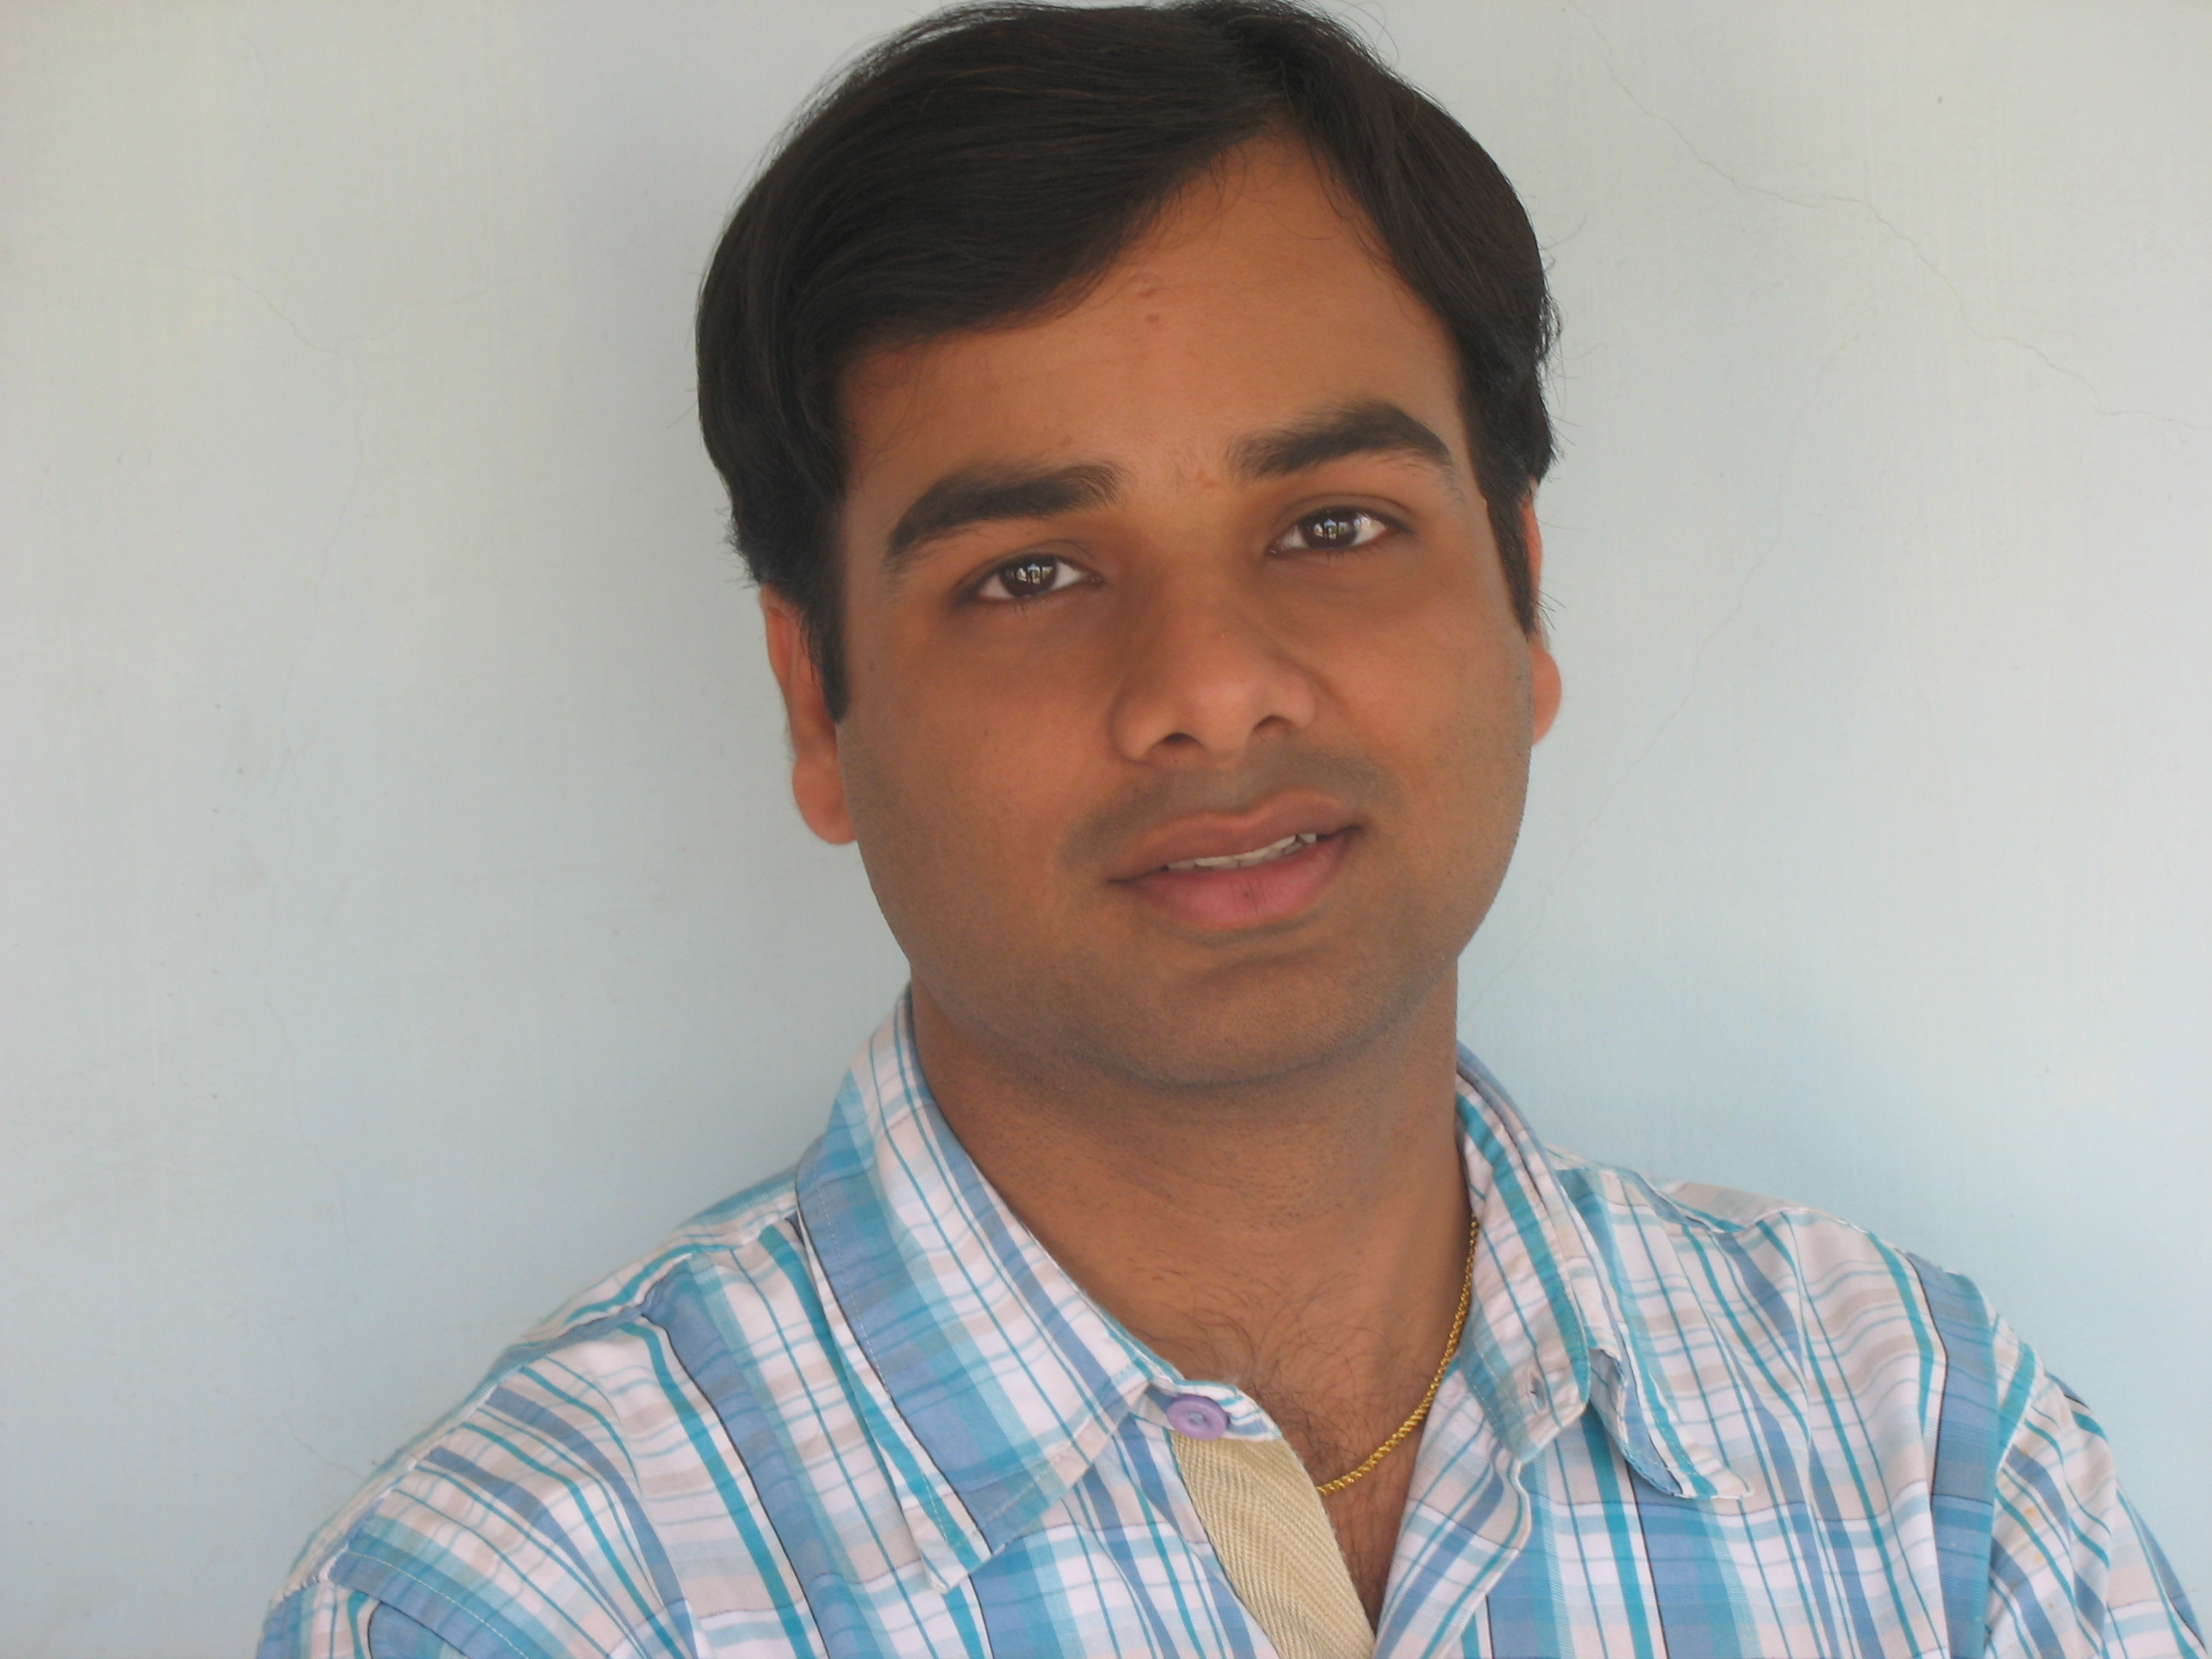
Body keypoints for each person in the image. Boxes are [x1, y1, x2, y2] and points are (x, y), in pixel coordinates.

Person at [259, 3, 2201, 1656]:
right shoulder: (528, 1598)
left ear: (1521, 595)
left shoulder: (1924, 1456)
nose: (1211, 684)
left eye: (1333, 525)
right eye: (1029, 572)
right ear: (815, 705)